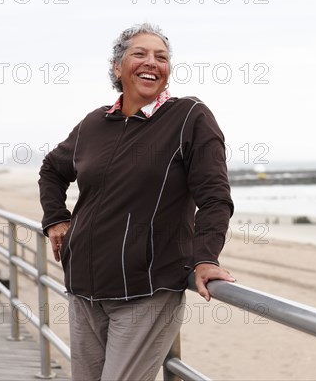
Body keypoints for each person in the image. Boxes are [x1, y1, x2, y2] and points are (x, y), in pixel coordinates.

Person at [38, 23, 235, 380]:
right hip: (83, 288)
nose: (152, 62)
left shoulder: (189, 117)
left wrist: (205, 258)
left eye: (162, 57)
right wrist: (56, 219)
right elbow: (52, 169)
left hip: (146, 290)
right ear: (117, 67)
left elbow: (215, 197)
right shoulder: (94, 124)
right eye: (139, 54)